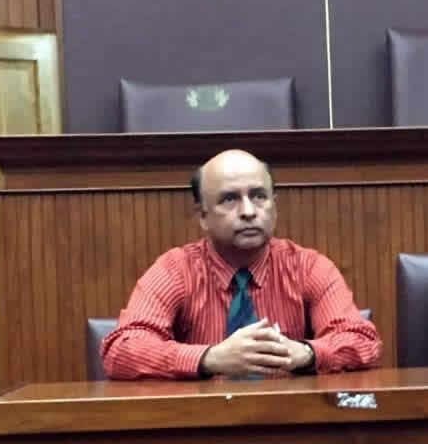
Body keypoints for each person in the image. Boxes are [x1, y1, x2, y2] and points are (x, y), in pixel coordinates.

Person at [102, 149, 381, 379]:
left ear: (274, 205)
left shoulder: (308, 267)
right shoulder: (175, 270)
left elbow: (362, 341)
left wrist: (305, 353)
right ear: (202, 216)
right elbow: (121, 350)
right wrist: (209, 358)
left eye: (259, 196)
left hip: (292, 419)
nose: (248, 211)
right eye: (229, 199)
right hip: (200, 421)